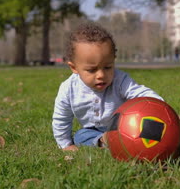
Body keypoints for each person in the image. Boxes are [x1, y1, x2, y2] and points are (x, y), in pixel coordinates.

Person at [52, 23, 163, 151]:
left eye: (107, 67)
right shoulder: (68, 89)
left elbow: (140, 93)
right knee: (80, 136)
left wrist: (161, 108)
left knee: (147, 126)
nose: (101, 75)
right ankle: (105, 140)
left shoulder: (120, 80)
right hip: (93, 131)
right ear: (74, 68)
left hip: (125, 125)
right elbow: (61, 119)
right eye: (92, 70)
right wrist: (65, 144)